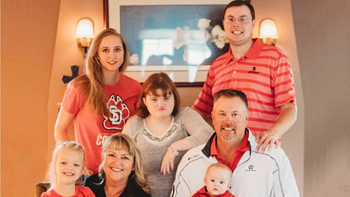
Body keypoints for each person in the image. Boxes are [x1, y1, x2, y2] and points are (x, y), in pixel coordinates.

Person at [192, 0, 297, 153]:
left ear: (253, 23)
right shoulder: (217, 65)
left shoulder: (275, 57)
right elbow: (199, 111)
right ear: (224, 24)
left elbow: (290, 109)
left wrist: (273, 133)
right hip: (222, 157)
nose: (236, 24)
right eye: (231, 19)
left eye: (243, 19)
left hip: (260, 153)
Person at [171, 89, 300, 197]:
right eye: (222, 114)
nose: (228, 121)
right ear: (213, 117)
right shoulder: (190, 160)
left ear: (246, 118)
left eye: (235, 114)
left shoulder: (273, 157)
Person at [55, 28, 141, 174]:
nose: (112, 55)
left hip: (122, 173)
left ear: (124, 53)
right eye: (105, 50)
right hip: (89, 172)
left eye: (117, 49)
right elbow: (60, 129)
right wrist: (75, 164)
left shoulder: (135, 87)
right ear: (96, 55)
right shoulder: (80, 86)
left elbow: (139, 131)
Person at [122, 72, 214, 197]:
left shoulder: (184, 115)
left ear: (174, 98)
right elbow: (120, 157)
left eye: (166, 98)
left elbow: (209, 135)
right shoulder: (134, 124)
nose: (161, 104)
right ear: (144, 100)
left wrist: (175, 147)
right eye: (154, 99)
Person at [84, 133, 151, 197]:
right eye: (112, 155)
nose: (117, 162)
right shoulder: (87, 185)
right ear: (103, 158)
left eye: (125, 157)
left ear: (133, 165)